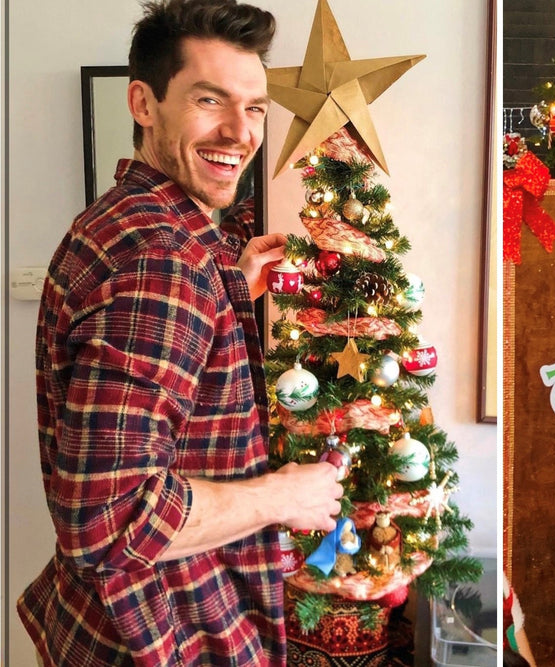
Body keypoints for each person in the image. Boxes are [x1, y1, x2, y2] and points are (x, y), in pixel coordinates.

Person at [17, 1, 345, 665]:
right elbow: (109, 526)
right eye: (209, 99)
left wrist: (229, 287)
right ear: (143, 102)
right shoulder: (160, 262)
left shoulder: (137, 227)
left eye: (254, 107)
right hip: (160, 637)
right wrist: (286, 493)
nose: (239, 130)